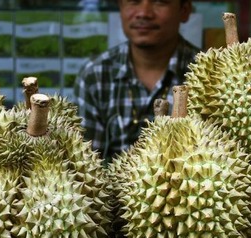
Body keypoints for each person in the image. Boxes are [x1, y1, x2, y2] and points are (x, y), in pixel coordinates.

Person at [73, 0, 199, 161]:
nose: (144, 13)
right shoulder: (95, 75)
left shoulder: (209, 76)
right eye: (133, 1)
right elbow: (85, 165)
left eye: (159, 2)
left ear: (184, 10)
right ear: (120, 8)